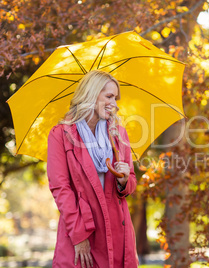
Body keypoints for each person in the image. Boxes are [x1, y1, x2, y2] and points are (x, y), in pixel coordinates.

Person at [47, 70, 139, 268]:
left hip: (118, 230)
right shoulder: (60, 135)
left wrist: (124, 180)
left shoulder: (118, 133)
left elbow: (130, 182)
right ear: (91, 94)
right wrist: (79, 236)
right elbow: (60, 188)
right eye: (109, 96)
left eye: (115, 98)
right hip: (83, 230)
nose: (114, 104)